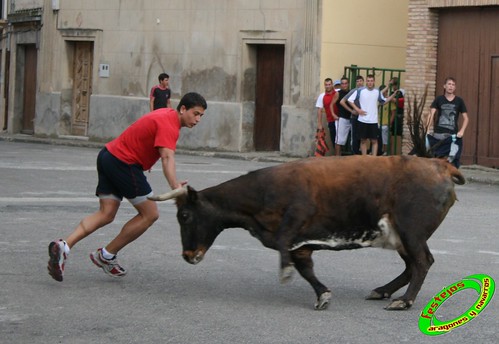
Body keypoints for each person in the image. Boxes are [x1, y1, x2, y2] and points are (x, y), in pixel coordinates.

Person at [47, 92, 208, 282]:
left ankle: (64, 245)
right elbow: (167, 157)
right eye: (195, 113)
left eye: (201, 116)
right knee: (150, 214)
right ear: (183, 109)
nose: (197, 119)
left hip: (107, 156)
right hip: (124, 163)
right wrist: (175, 188)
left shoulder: (166, 115)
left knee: (106, 213)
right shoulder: (169, 125)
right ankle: (106, 256)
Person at [347, 74, 398, 156]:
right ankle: (364, 159)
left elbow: (383, 101)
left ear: (374, 81)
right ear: (366, 81)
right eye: (368, 81)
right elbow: (350, 100)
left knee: (374, 141)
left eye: (371, 81)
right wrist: (357, 109)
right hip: (362, 120)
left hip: (373, 121)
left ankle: (373, 160)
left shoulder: (377, 91)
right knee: (363, 141)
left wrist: (393, 95)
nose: (370, 82)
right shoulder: (360, 91)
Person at [426, 77, 469, 167]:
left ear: (455, 87)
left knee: (451, 160)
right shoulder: (439, 99)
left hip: (452, 136)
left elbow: (466, 118)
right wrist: (427, 129)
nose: (451, 86)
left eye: (453, 85)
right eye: (449, 84)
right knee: (434, 158)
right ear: (444, 86)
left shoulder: (459, 101)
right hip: (438, 135)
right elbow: (431, 114)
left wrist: (462, 131)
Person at [340, 75, 364, 155]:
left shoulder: (367, 90)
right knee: (355, 137)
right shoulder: (354, 91)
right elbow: (342, 102)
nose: (359, 83)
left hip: (365, 117)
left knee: (363, 138)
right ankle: (355, 154)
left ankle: (362, 156)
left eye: (360, 81)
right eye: (357, 81)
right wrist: (351, 110)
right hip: (355, 117)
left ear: (363, 81)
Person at [316, 78, 339, 153]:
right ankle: (337, 157)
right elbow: (319, 110)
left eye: (329, 84)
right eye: (326, 85)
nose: (328, 86)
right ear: (324, 85)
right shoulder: (322, 96)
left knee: (341, 141)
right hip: (331, 121)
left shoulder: (337, 93)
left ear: (332, 85)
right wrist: (319, 124)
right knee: (334, 139)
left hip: (340, 120)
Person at [334, 77, 352, 156]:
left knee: (354, 140)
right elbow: (331, 104)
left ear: (348, 84)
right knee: (339, 141)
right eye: (342, 83)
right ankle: (337, 158)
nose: (344, 85)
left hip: (351, 118)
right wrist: (333, 115)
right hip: (342, 118)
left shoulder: (351, 92)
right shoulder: (338, 93)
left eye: (345, 83)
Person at [389, 77, 405, 155]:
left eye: (395, 84)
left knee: (399, 134)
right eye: (393, 85)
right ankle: (393, 152)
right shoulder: (392, 92)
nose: (394, 86)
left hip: (399, 116)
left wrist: (389, 98)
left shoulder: (400, 93)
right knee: (393, 134)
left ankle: (398, 151)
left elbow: (398, 102)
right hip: (393, 116)